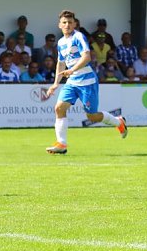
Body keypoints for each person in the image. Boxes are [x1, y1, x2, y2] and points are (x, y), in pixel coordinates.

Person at [45, 10, 127, 155]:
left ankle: (118, 122)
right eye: (64, 22)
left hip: (87, 81)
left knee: (92, 116)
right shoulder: (61, 42)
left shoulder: (78, 37)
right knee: (59, 108)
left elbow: (87, 57)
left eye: (70, 22)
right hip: (72, 82)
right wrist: (56, 83)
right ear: (59, 25)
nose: (67, 25)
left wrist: (72, 70)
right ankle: (61, 144)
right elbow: (61, 63)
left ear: (74, 24)